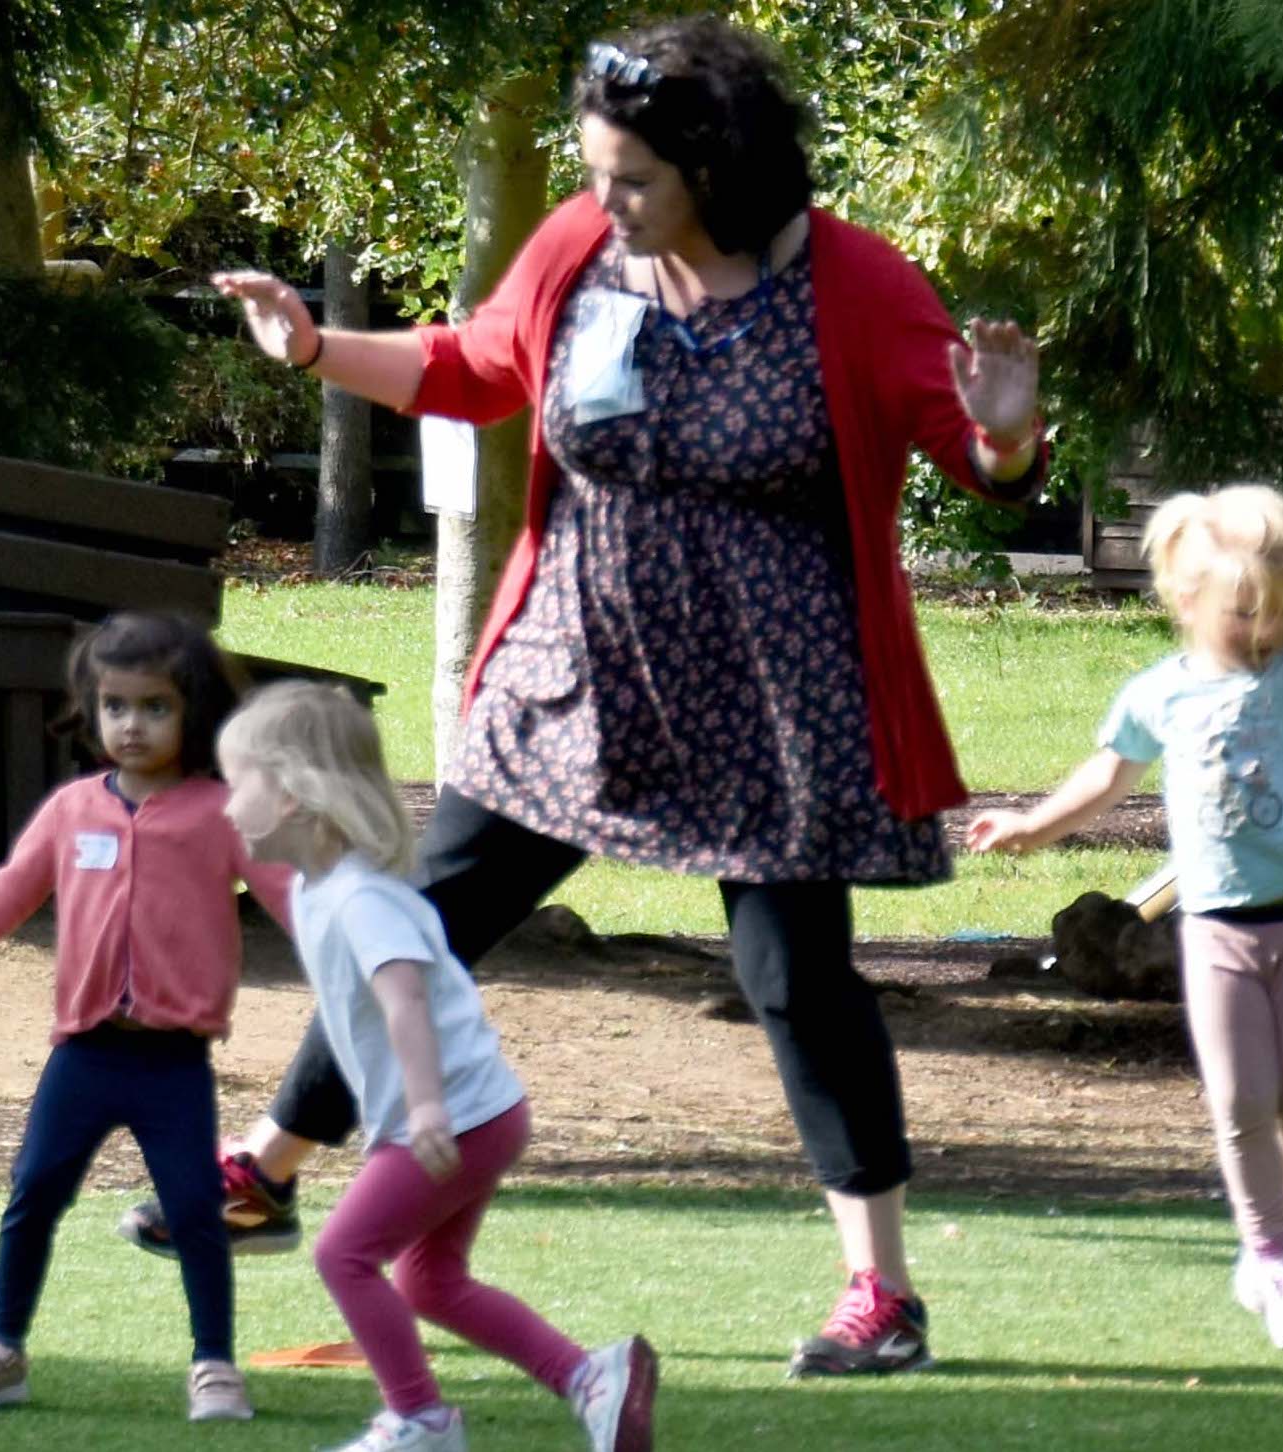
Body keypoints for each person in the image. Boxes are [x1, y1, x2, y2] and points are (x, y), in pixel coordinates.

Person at [189, 14, 1050, 1375]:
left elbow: (975, 455)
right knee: (415, 917)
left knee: (793, 978)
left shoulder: (857, 286)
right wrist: (311, 349)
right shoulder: (581, 255)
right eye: (595, 173)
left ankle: (880, 1299)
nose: (604, 202)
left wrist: (1005, 428)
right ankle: (268, 1168)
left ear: (718, 166)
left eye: (633, 179)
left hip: (774, 698)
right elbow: (472, 368)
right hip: (571, 668)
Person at [960, 486, 1283, 1349]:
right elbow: (1105, 779)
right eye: (1246, 613)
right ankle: (1273, 1256)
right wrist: (1030, 823)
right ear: (1190, 602)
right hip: (1214, 932)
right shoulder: (1158, 693)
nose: (1265, 630)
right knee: (1242, 1100)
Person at [0, 612, 297, 1420]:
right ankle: (2, 1349)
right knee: (33, 1194)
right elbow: (2, 900)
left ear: (193, 713)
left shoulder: (224, 813)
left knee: (197, 1213)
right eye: (116, 706)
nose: (133, 725)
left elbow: (293, 899)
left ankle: (214, 1366)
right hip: (84, 1059)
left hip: (174, 1064)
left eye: (156, 707)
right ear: (93, 710)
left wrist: (368, 962)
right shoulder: (71, 812)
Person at [222, 682, 660, 1452]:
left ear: (294, 797)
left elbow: (405, 1001)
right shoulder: (325, 887)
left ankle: (419, 1420)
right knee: (429, 1281)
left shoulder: (362, 898)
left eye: (239, 787)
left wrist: (422, 1109)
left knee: (343, 1253)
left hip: (453, 1118)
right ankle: (593, 1379)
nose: (228, 808)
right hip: (475, 1113)